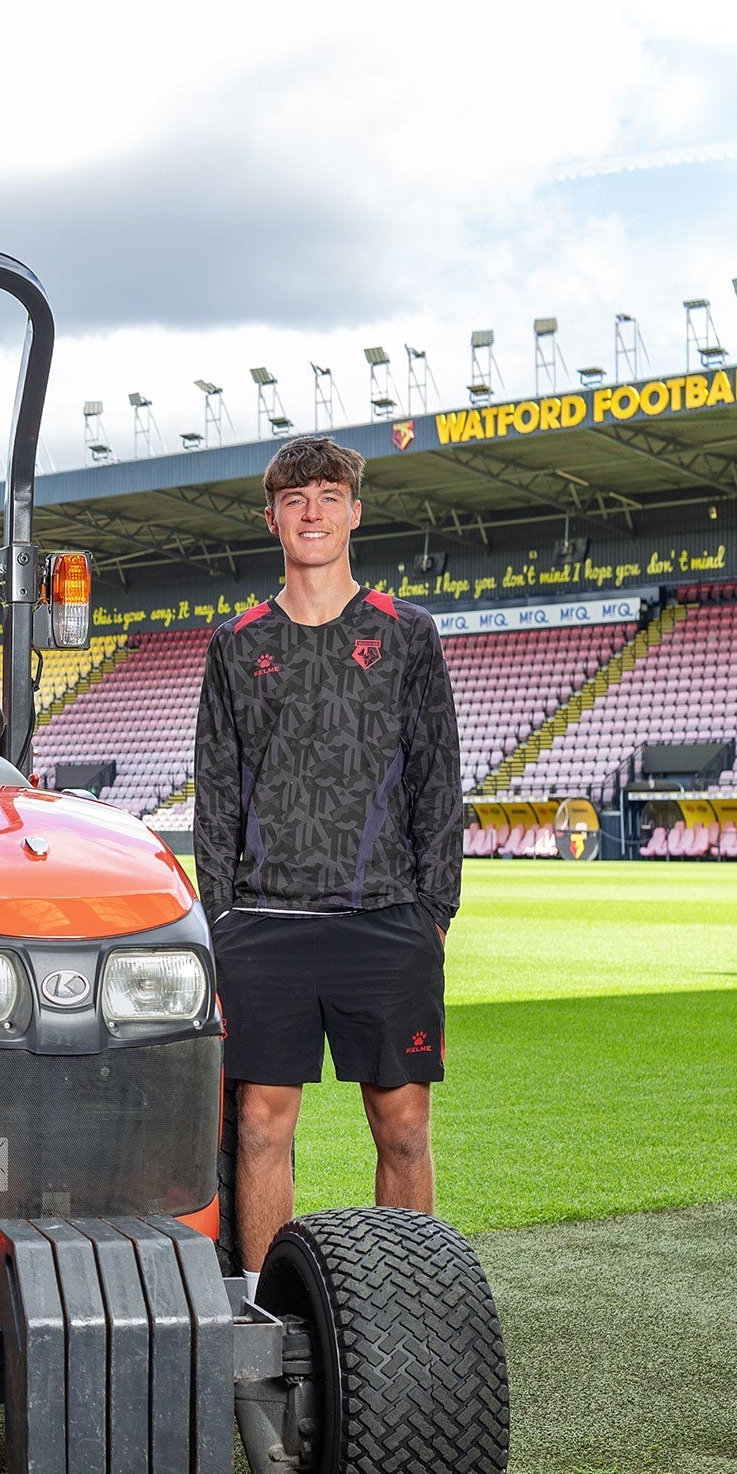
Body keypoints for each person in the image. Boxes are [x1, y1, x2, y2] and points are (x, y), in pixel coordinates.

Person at [190, 435, 461, 1273]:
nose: (313, 512)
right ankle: (269, 1314)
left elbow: (437, 781)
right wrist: (222, 916)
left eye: (329, 497)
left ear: (354, 512)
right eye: (296, 499)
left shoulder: (407, 635)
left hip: (384, 919)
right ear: (271, 517)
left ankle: (414, 1301)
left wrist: (435, 913)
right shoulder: (236, 644)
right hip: (265, 922)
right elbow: (217, 793)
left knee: (405, 1124)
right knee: (262, 1124)